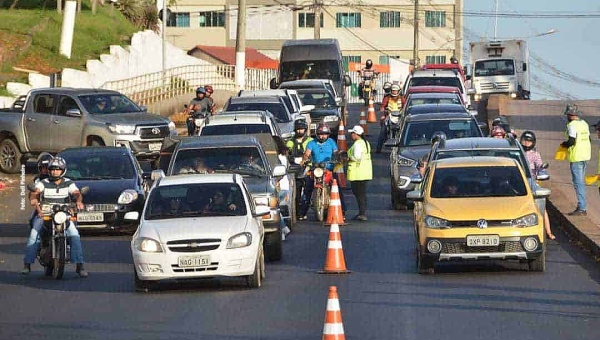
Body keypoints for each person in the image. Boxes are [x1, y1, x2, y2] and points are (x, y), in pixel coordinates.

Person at [22, 157, 88, 277]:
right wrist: (33, 199)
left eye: (58, 169)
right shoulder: (43, 183)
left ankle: (80, 266)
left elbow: (77, 193)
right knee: (34, 234)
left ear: (63, 170)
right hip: (45, 214)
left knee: (74, 235)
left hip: (63, 214)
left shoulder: (69, 182)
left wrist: (78, 201)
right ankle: (27, 264)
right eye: (52, 169)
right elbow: (35, 191)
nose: (54, 172)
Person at [300, 124, 346, 220]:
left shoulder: (331, 142)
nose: (322, 136)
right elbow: (307, 153)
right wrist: (304, 159)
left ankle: (342, 211)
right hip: (316, 169)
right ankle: (302, 212)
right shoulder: (311, 143)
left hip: (329, 169)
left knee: (337, 188)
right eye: (320, 134)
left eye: (325, 134)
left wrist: (339, 156)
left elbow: (336, 152)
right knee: (307, 189)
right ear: (317, 134)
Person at [520, 131, 555, 240]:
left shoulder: (535, 155)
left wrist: (541, 170)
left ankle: (548, 232)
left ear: (533, 143)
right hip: (518, 183)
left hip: (531, 183)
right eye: (524, 141)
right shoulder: (518, 152)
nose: (526, 143)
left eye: (529, 141)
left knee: (541, 206)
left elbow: (541, 167)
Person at [561, 104, 591, 216]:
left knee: (578, 183)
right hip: (585, 156)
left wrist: (564, 144)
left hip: (576, 157)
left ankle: (582, 207)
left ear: (570, 115)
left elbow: (571, 142)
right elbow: (588, 139)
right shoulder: (584, 124)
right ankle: (581, 205)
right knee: (580, 181)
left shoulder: (572, 125)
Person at [286, 119, 313, 220]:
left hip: (308, 168)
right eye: (297, 129)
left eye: (301, 129)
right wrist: (293, 158)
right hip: (295, 169)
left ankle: (304, 211)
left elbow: (313, 153)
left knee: (308, 191)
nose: (299, 131)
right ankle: (297, 212)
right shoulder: (290, 141)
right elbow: (287, 153)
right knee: (296, 192)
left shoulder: (310, 141)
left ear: (305, 129)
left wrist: (308, 162)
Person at [347, 126, 372, 221]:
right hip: (365, 172)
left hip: (358, 173)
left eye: (352, 133)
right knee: (361, 193)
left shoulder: (357, 144)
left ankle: (362, 213)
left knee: (359, 193)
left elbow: (357, 157)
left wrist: (348, 158)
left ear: (356, 134)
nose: (351, 135)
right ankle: (362, 212)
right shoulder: (365, 143)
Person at [376, 84, 402, 153]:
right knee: (383, 130)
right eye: (393, 91)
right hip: (389, 116)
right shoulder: (387, 98)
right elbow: (382, 106)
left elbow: (405, 106)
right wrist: (383, 110)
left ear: (398, 91)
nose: (394, 92)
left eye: (395, 91)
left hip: (399, 117)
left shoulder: (402, 98)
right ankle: (378, 149)